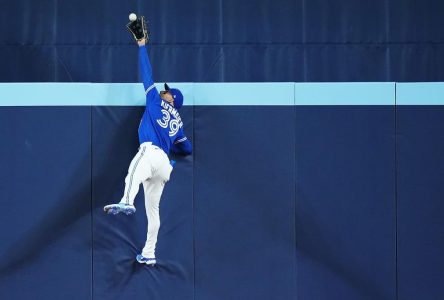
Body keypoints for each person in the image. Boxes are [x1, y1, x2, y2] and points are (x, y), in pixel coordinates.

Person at [104, 24, 192, 266]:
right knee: (154, 212)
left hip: (151, 152)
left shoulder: (155, 100)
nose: (163, 92)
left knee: (132, 174)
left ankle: (126, 201)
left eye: (167, 92)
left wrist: (142, 46)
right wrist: (174, 153)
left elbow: (147, 75)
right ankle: (150, 253)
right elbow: (188, 149)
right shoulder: (179, 122)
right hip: (164, 164)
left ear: (172, 98)